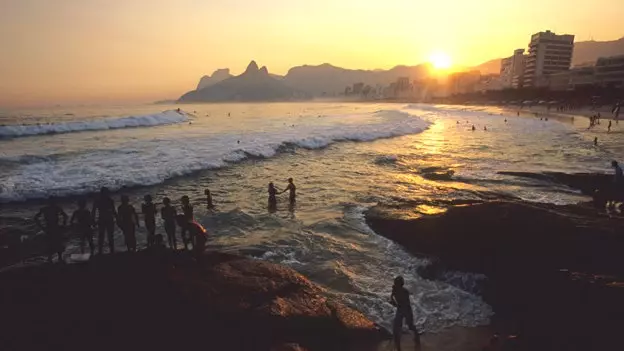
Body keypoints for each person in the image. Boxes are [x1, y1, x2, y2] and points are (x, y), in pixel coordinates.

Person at [34, 197, 68, 263]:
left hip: (49, 227)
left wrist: (41, 227)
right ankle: (59, 258)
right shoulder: (57, 208)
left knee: (50, 243)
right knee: (57, 242)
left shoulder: (44, 209)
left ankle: (50, 258)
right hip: (55, 227)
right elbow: (65, 216)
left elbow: (35, 218)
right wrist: (64, 224)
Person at [390, 276, 419, 351]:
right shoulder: (395, 290)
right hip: (400, 309)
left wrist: (396, 305)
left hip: (407, 310)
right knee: (396, 328)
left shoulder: (405, 292)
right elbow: (392, 296)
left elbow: (405, 303)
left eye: (397, 283)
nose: (395, 284)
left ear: (401, 284)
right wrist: (393, 302)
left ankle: (417, 337)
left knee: (410, 326)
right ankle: (398, 348)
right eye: (395, 283)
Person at [92, 187, 117, 254]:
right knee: (110, 235)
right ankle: (111, 250)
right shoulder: (110, 200)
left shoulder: (97, 201)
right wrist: (117, 219)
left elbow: (93, 211)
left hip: (102, 219)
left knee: (101, 236)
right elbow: (114, 211)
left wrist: (93, 221)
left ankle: (101, 251)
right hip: (109, 218)